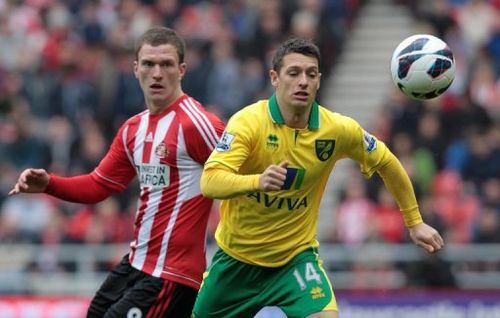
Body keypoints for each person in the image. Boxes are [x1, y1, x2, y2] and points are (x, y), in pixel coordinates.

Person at [192, 38, 444, 318]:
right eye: (294, 73)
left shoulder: (337, 129)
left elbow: (387, 162)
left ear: (319, 80)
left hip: (294, 262)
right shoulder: (248, 122)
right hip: (235, 263)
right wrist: (257, 181)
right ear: (274, 78)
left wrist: (415, 221)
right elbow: (210, 181)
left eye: (311, 74)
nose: (303, 81)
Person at [9, 26, 225, 318]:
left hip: (172, 274)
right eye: (149, 64)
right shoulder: (133, 128)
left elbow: (242, 173)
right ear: (136, 69)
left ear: (182, 70)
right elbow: (99, 185)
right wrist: (49, 184)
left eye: (166, 64)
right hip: (136, 264)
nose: (157, 73)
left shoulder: (198, 124)